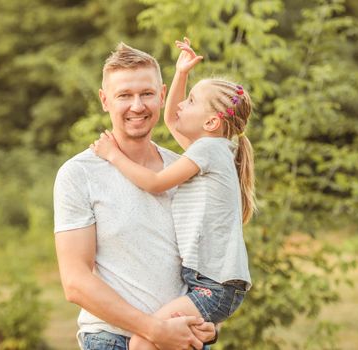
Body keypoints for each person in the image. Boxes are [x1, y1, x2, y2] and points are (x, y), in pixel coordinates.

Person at [91, 38, 254, 350]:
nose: (181, 105)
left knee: (142, 343)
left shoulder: (207, 149)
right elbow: (170, 119)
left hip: (214, 286)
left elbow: (154, 183)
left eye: (191, 101)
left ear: (211, 121)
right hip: (207, 283)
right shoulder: (211, 147)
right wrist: (181, 74)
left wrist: (113, 155)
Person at [53, 41, 217, 350]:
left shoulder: (184, 169)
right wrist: (154, 330)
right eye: (124, 95)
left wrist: (210, 323)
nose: (137, 106)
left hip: (184, 339)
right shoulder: (79, 174)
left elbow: (207, 265)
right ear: (105, 100)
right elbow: (75, 282)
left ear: (163, 95)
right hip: (111, 340)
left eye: (146, 94)